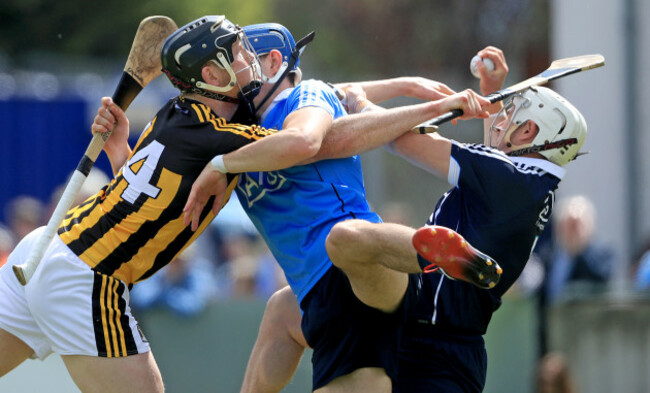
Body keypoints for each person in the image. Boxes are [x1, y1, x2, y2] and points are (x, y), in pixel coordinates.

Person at [223, 46, 589, 393]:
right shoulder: (529, 185)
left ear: (528, 133)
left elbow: (404, 141)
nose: (501, 119)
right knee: (285, 306)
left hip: (436, 345)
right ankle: (437, 253)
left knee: (346, 239)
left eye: (513, 116)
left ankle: (432, 256)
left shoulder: (506, 177)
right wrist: (491, 91)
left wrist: (360, 105)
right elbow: (491, 160)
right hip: (432, 330)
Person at [183, 24, 500, 392]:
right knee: (278, 311)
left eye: (243, 58)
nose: (236, 72)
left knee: (343, 238)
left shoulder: (302, 97)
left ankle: (436, 255)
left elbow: (307, 136)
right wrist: (408, 84)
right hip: (316, 295)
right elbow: (352, 92)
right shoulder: (237, 137)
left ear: (272, 62)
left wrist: (222, 164)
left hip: (365, 271)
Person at [0, 15, 280, 392]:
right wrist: (334, 105)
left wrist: (121, 154)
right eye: (239, 51)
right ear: (213, 76)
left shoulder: (171, 114)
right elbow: (307, 143)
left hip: (46, 247)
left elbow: (138, 200)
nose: (250, 57)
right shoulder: (215, 134)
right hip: (88, 276)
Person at [543, 195, 613, 303]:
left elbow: (601, 279)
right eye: (568, 225)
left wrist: (578, 250)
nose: (572, 232)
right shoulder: (546, 255)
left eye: (577, 226)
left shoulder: (604, 255)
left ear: (590, 227)